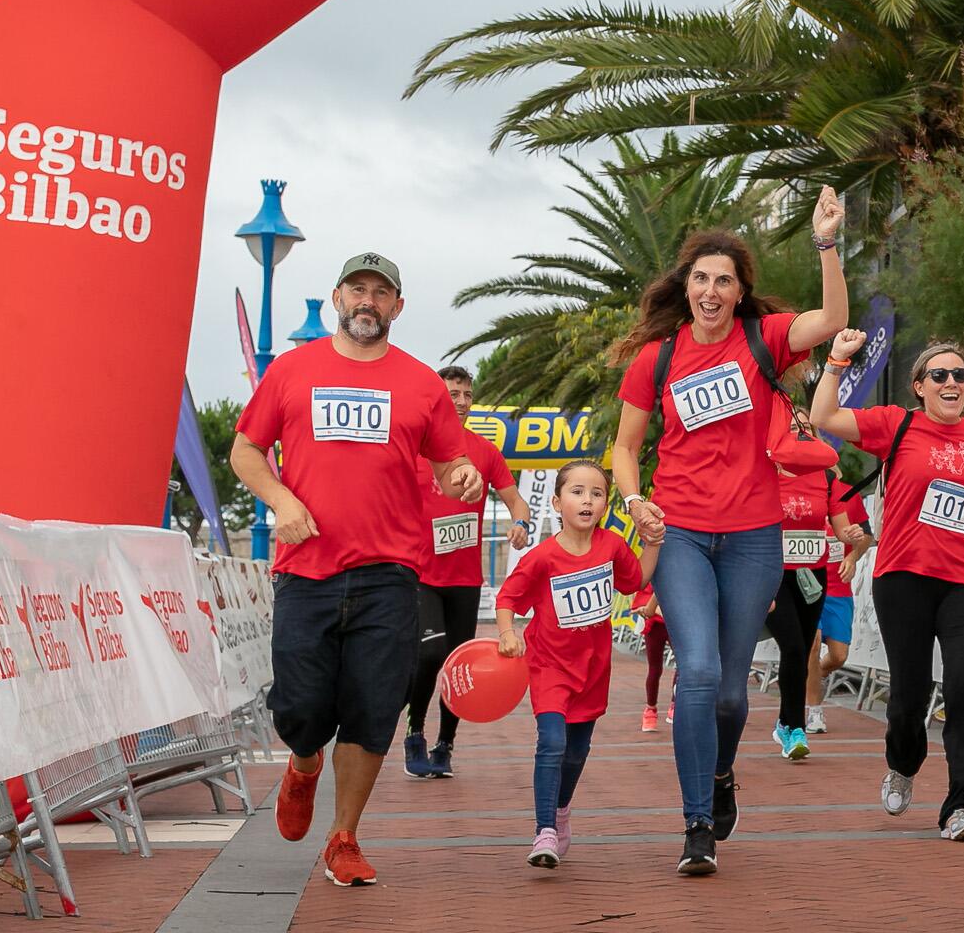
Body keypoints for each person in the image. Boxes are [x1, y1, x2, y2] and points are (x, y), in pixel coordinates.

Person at [611, 189, 847, 877]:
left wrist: (827, 243)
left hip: (751, 537)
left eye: (725, 280)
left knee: (735, 693)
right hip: (680, 532)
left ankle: (719, 776)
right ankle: (695, 825)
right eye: (700, 279)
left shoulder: (761, 339)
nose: (711, 291)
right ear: (684, 288)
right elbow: (626, 447)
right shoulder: (655, 359)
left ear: (740, 291)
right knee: (701, 674)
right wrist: (634, 501)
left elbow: (832, 318)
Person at [230, 253, 484, 889]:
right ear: (337, 298)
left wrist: (461, 476)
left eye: (381, 293)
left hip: (390, 574)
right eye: (357, 289)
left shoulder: (423, 383)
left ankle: (344, 837)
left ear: (397, 307)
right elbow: (246, 450)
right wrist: (283, 501)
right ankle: (303, 761)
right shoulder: (292, 370)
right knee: (301, 706)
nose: (368, 301)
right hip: (306, 570)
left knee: (374, 709)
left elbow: (452, 462)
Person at [810, 329, 964, 843]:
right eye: (941, 375)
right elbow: (823, 418)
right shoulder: (896, 425)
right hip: (903, 578)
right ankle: (903, 765)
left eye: (961, 375)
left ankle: (961, 807)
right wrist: (837, 361)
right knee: (909, 692)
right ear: (919, 386)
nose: (953, 383)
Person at [496, 460, 661, 869]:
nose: (587, 500)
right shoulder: (542, 557)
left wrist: (654, 542)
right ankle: (544, 830)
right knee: (552, 743)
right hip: (549, 667)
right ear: (556, 502)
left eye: (597, 493)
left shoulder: (611, 547)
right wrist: (507, 633)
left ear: (605, 504)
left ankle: (562, 808)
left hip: (593, 669)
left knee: (578, 750)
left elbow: (636, 580)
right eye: (577, 492)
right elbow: (507, 599)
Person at [404, 365, 533, 780]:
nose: (459, 401)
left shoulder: (484, 452)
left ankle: (445, 745)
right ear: (437, 399)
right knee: (429, 653)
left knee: (458, 665)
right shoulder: (415, 449)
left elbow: (518, 503)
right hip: (420, 572)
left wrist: (521, 524)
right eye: (452, 393)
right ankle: (414, 732)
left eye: (465, 394)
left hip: (464, 578)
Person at [763, 457, 869, 761]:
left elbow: (841, 528)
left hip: (814, 577)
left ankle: (785, 721)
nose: (801, 437)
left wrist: (851, 536)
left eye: (807, 431)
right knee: (797, 647)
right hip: (776, 575)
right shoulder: (767, 475)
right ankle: (796, 728)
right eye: (796, 430)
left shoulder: (826, 480)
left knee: (801, 651)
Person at [806, 488, 872, 734]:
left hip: (838, 588)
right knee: (812, 643)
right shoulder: (801, 489)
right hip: (807, 583)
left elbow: (867, 535)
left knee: (839, 656)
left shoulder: (848, 495)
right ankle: (814, 711)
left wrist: (853, 557)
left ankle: (814, 675)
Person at [631, 587, 673, 731]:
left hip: (676, 624)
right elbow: (642, 603)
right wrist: (656, 609)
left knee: (684, 665)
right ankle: (650, 709)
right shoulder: (652, 576)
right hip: (655, 625)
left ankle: (675, 703)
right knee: (655, 669)